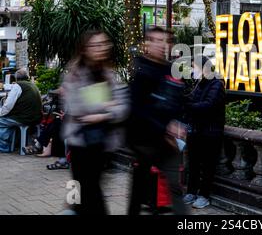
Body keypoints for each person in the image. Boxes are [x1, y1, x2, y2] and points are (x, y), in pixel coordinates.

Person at [61, 30, 129, 215]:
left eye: (104, 44)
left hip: (104, 144)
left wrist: (102, 114)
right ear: (84, 49)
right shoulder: (74, 74)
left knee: (87, 191)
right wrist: (107, 104)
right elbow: (76, 107)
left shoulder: (110, 74)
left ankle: (70, 209)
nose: (101, 49)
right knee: (88, 192)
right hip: (80, 143)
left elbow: (123, 107)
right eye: (95, 45)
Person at [127, 26, 187, 215]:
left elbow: (179, 100)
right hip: (145, 141)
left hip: (168, 143)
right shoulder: (141, 70)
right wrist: (166, 128)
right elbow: (137, 109)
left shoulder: (172, 69)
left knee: (175, 187)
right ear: (147, 43)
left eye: (165, 41)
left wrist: (178, 122)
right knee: (139, 190)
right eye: (156, 40)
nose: (161, 45)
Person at [183, 55, 225, 209]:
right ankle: (191, 192)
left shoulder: (216, 84)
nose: (193, 71)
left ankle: (204, 195)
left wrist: (187, 106)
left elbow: (208, 105)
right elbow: (191, 102)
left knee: (208, 165)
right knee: (193, 164)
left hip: (210, 132)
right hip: (195, 131)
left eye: (195, 67)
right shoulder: (198, 84)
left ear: (204, 68)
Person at [0, 69, 42, 153]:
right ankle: (13, 144)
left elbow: (8, 106)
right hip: (36, 118)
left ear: (15, 78)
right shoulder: (32, 85)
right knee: (7, 119)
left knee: (2, 120)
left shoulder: (18, 86)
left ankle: (4, 147)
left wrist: (0, 113)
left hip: (24, 118)